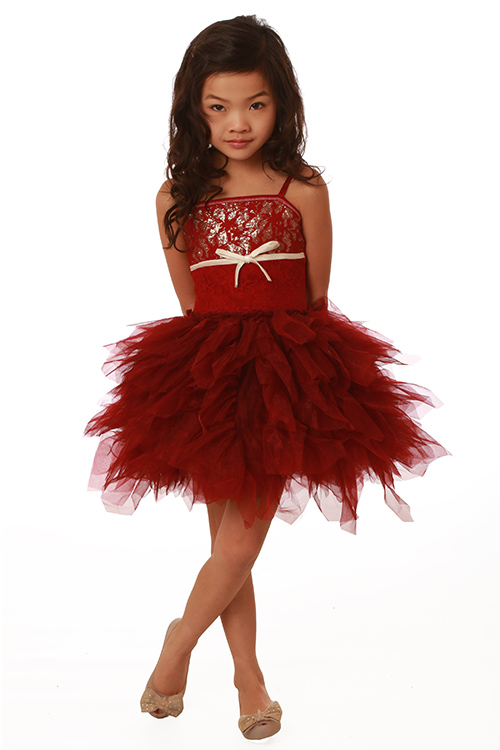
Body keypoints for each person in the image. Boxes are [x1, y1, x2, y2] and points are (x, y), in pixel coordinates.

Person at [85, 15, 448, 740]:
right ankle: (249, 680)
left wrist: (296, 378)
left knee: (237, 545)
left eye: (255, 104)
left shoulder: (301, 188)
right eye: (217, 107)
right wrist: (216, 366)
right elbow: (191, 302)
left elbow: (314, 296)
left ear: (282, 102)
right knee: (230, 545)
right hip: (207, 376)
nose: (238, 123)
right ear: (194, 110)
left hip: (286, 376)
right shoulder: (176, 197)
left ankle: (175, 647)